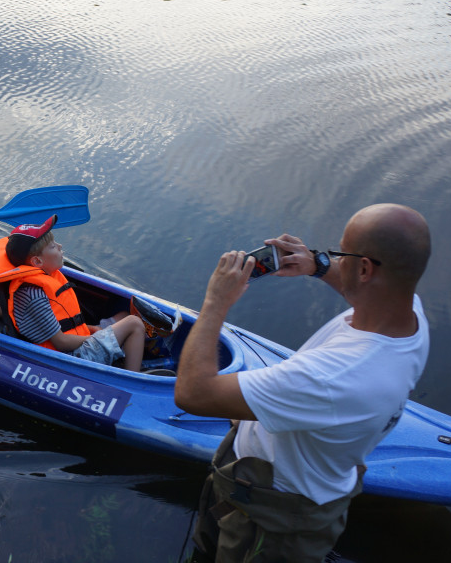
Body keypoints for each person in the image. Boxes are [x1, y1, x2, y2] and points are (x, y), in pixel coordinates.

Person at [175, 204, 431, 563]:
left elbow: (192, 393)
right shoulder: (408, 314)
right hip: (271, 483)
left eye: (340, 253)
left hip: (271, 519)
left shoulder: (334, 376)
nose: (333, 258)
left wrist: (216, 302)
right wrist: (318, 266)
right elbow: (365, 288)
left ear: (364, 268)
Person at [0, 215, 147, 372]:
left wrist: (93, 330)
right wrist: (97, 335)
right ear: (37, 261)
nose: (59, 246)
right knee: (134, 323)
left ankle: (125, 356)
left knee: (124, 315)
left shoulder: (43, 278)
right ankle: (132, 379)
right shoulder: (33, 296)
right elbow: (61, 342)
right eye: (52, 246)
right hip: (71, 358)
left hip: (77, 342)